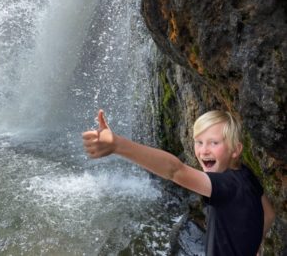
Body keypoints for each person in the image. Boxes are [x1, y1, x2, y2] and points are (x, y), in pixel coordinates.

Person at [82, 109, 275, 256]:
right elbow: (268, 213)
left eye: (214, 143)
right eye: (199, 142)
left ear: (236, 149)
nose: (204, 150)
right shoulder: (245, 175)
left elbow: (175, 170)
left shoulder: (226, 186)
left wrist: (119, 145)